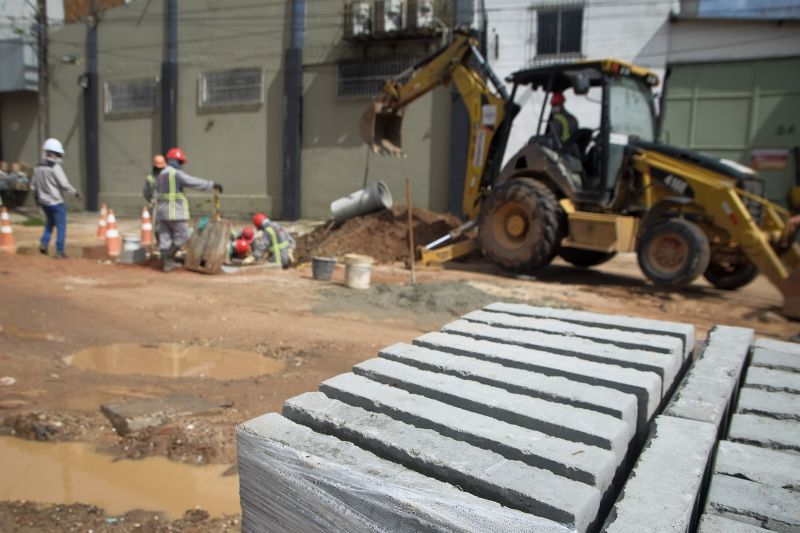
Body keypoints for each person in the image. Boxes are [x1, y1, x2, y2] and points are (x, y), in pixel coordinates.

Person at [143, 147, 223, 272]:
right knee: (184, 235)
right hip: (174, 211)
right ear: (174, 161)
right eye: (180, 162)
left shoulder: (158, 175)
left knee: (165, 238)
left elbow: (148, 192)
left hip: (161, 211)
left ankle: (167, 264)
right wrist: (211, 185)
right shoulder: (175, 174)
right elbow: (193, 182)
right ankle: (169, 256)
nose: (181, 165)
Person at [30, 138, 80, 259]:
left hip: (44, 202)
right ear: (54, 153)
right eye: (58, 153)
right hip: (57, 202)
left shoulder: (38, 166)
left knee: (49, 224)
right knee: (61, 227)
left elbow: (33, 186)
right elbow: (64, 184)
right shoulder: (55, 167)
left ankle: (44, 243)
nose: (59, 156)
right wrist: (75, 193)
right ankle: (59, 251)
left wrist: (37, 197)